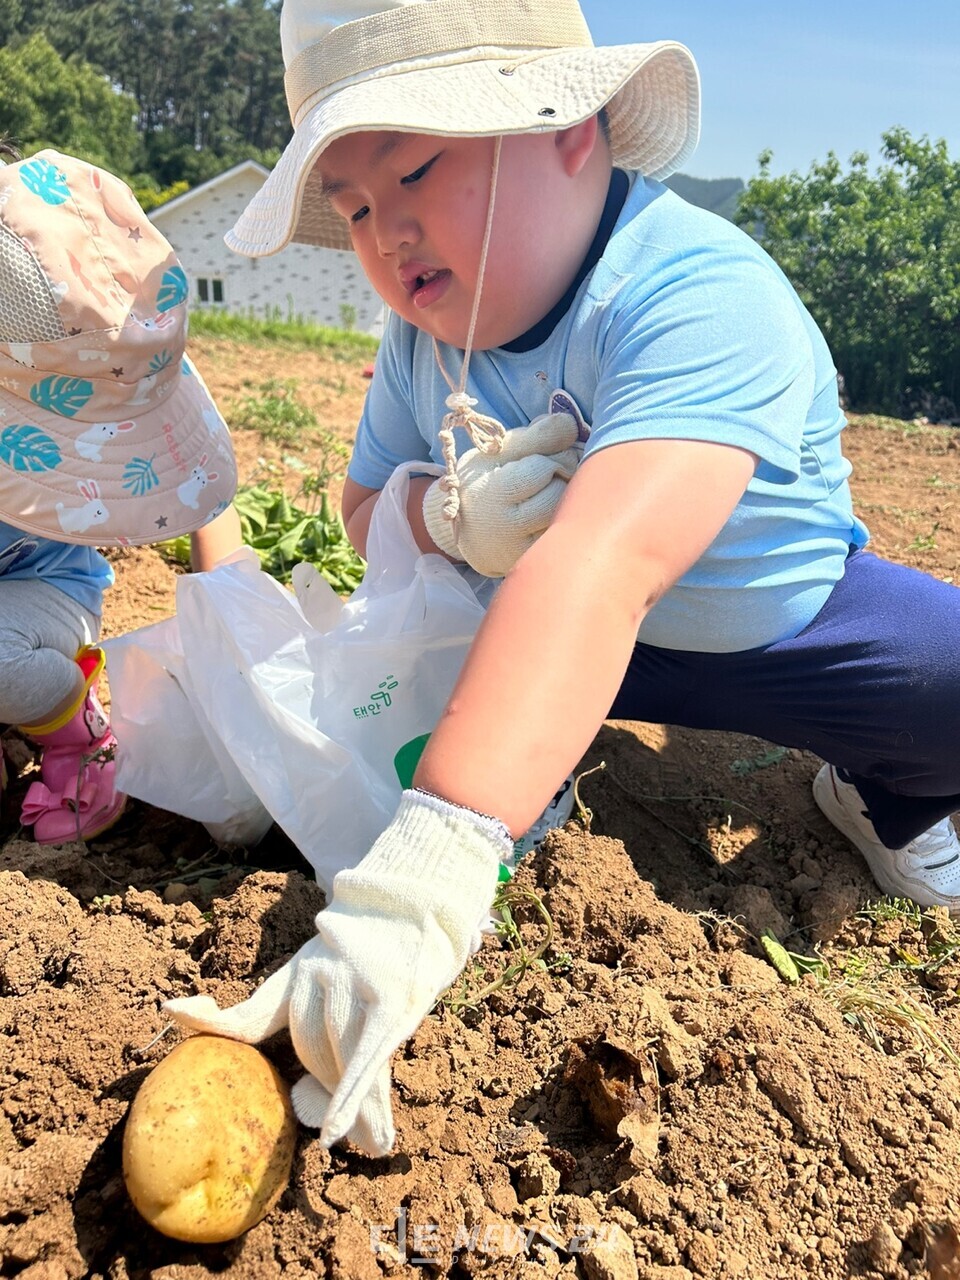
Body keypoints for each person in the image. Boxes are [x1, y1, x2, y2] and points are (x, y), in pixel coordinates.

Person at [164, 0, 960, 1157]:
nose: (387, 233)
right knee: (433, 750)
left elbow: (606, 561)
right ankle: (513, 788)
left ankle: (880, 801)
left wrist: (427, 865)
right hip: (530, 634)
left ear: (566, 126)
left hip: (770, 625)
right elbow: (362, 508)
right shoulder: (421, 343)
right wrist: (445, 515)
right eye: (355, 206)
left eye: (415, 171)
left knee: (949, 675)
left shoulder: (694, 290)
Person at [0, 148, 239, 843]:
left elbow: (210, 512)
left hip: (42, 589)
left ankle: (78, 733)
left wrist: (231, 632)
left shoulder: (78, 339)